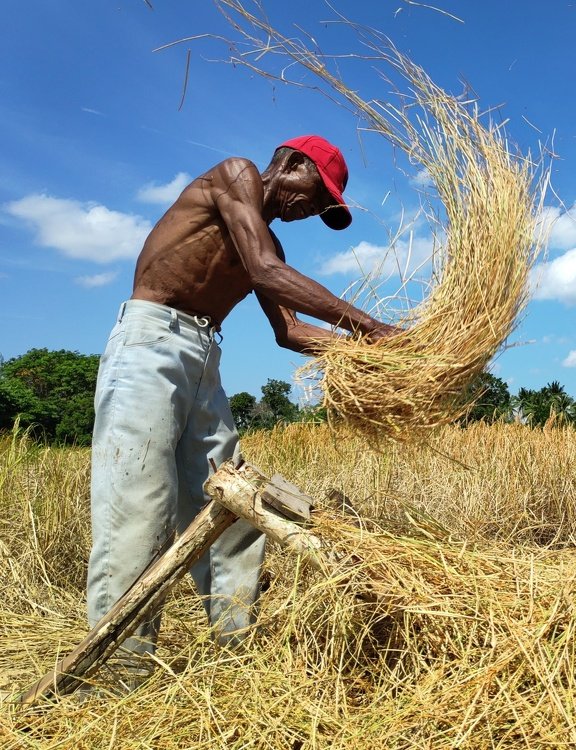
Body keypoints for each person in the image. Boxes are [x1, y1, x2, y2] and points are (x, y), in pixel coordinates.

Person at [87, 135, 395, 659]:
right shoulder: (236, 173)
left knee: (232, 504)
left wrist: (380, 357)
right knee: (138, 507)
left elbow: (290, 331)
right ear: (293, 162)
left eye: (326, 207)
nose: (314, 209)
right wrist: (371, 327)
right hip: (151, 343)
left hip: (204, 355)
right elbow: (265, 272)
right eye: (319, 194)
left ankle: (236, 652)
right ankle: (118, 669)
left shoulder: (269, 244)